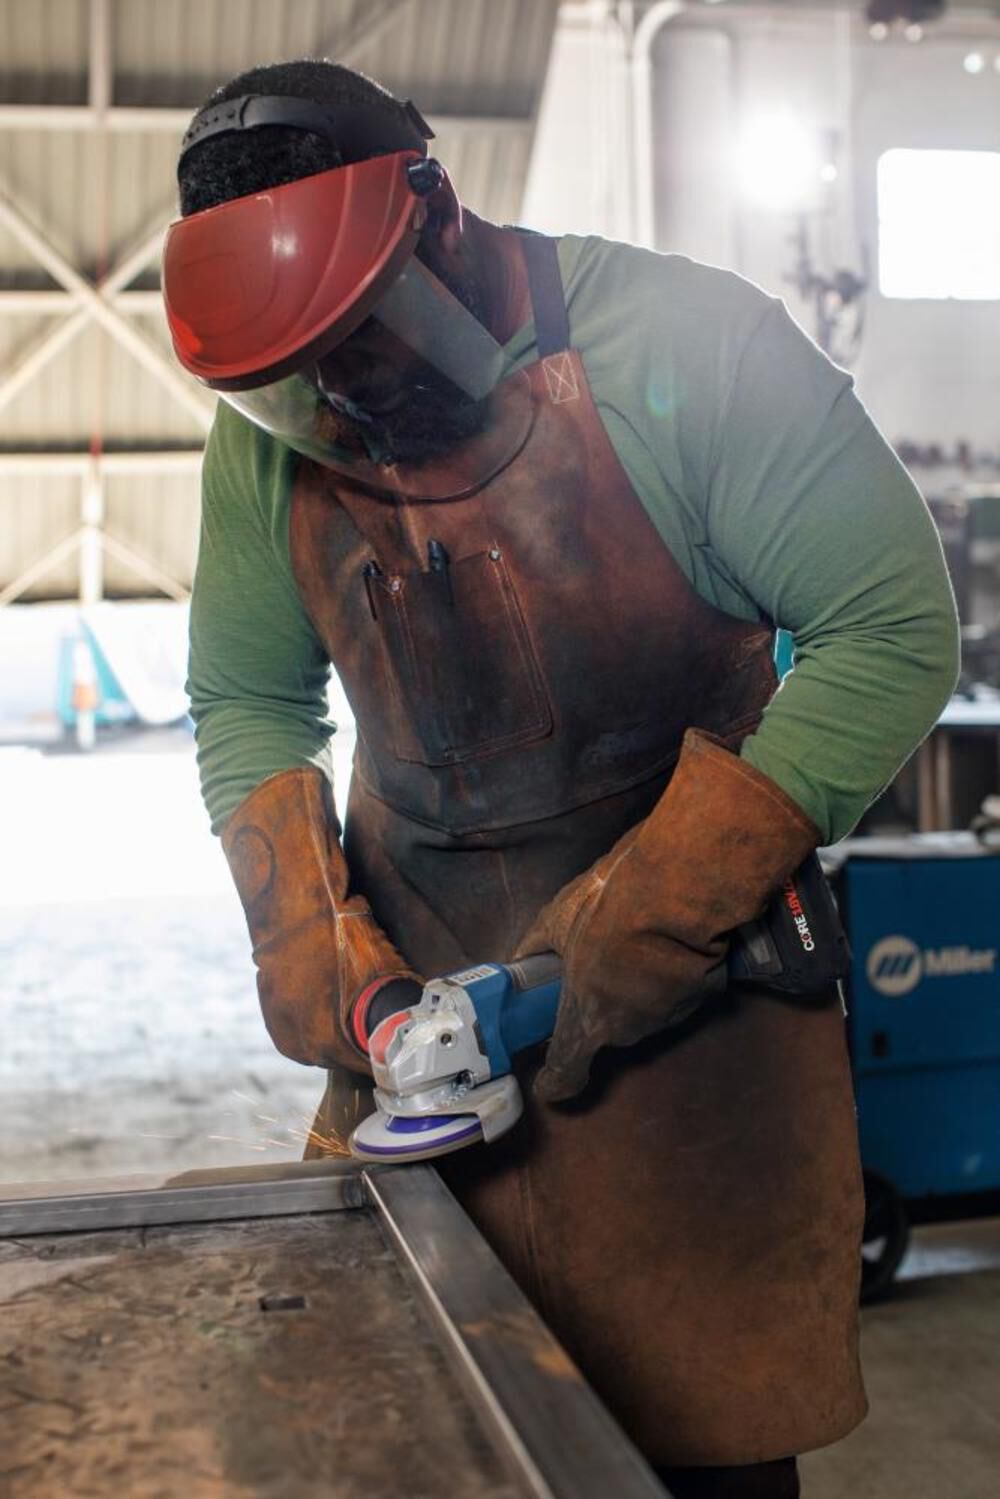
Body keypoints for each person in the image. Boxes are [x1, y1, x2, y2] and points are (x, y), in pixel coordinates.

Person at [164, 59, 959, 1498]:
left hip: (697, 1015)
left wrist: (650, 914)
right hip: (414, 1012)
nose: (339, 398)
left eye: (360, 340)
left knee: (697, 1454)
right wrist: (323, 950)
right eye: (296, 381)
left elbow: (890, 627)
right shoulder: (283, 419)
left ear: (437, 220)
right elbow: (248, 697)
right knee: (421, 1436)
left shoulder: (696, 347)